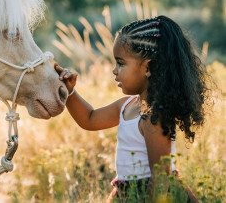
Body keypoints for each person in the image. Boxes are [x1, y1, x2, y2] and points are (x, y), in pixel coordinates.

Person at [54, 16, 209, 202]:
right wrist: (70, 91)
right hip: (128, 192)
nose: (114, 70)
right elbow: (89, 119)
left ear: (148, 68)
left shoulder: (154, 119)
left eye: (121, 63)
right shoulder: (125, 106)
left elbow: (160, 179)